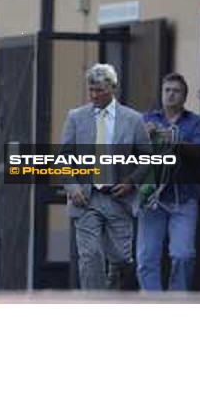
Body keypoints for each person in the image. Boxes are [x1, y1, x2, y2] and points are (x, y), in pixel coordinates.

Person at [61, 63, 151, 290]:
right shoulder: (76, 117)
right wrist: (72, 188)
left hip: (118, 198)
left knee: (121, 259)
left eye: (99, 90)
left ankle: (111, 295)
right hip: (87, 198)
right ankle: (94, 306)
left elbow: (147, 157)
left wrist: (131, 182)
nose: (93, 95)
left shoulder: (133, 119)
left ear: (112, 87)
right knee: (90, 256)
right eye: (90, 89)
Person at [137, 73, 200, 291]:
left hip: (184, 198)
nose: (170, 94)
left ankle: (177, 302)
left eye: (176, 91)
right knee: (146, 259)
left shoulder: (197, 122)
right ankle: (153, 305)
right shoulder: (146, 120)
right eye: (167, 90)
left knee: (183, 255)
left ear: (184, 96)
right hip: (152, 199)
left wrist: (176, 141)